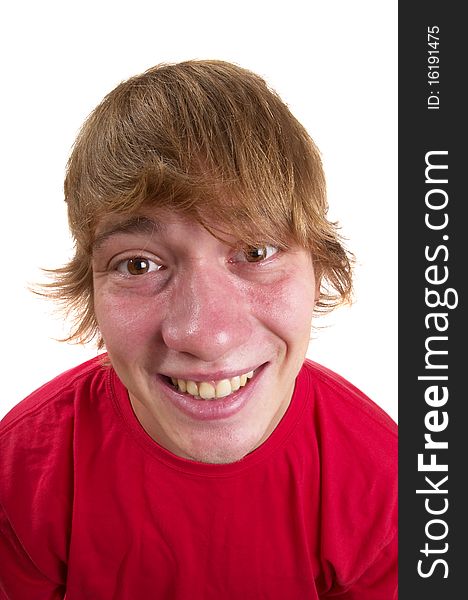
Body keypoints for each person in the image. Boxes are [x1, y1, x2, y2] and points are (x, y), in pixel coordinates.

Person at [0, 60, 397, 599]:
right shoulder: (21, 475)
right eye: (138, 264)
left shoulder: (391, 488)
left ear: (321, 268)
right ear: (91, 290)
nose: (206, 335)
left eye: (255, 252)